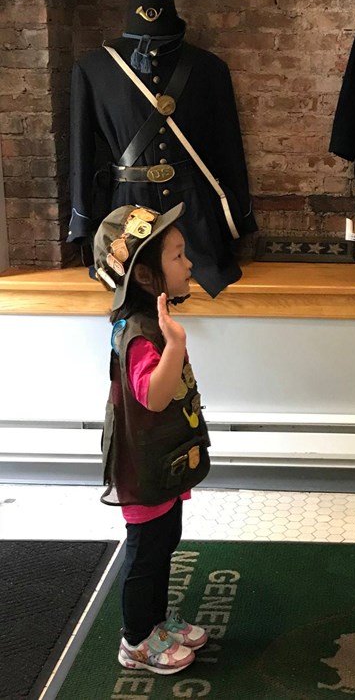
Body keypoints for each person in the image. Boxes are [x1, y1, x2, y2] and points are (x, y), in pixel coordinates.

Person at [93, 202, 211, 675]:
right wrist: (176, 346)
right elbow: (155, 396)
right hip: (141, 468)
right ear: (145, 276)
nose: (188, 264)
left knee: (165, 543)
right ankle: (137, 641)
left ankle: (156, 623)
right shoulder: (141, 334)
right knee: (145, 555)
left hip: (160, 460)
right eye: (178, 255)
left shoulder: (149, 324)